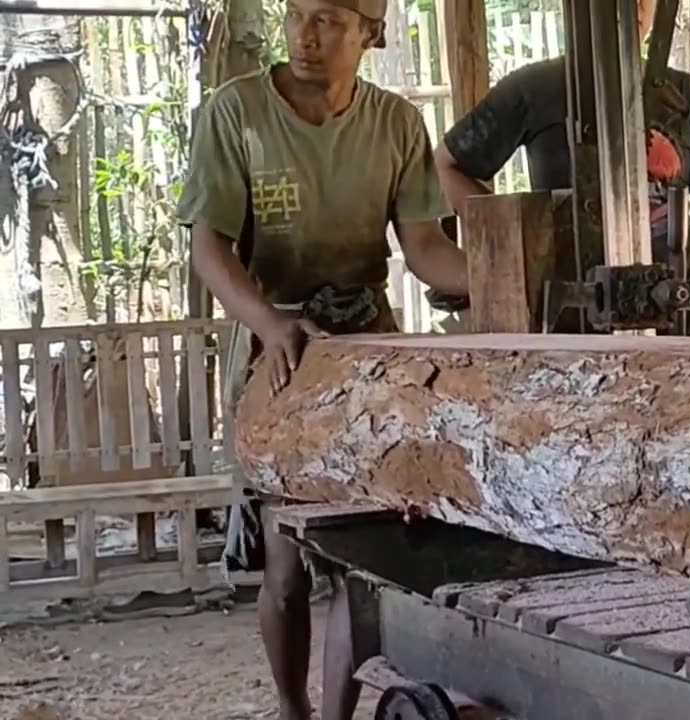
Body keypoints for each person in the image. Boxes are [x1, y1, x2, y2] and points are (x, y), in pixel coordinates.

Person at [174, 0, 468, 718]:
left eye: (329, 19)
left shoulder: (395, 122)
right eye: (296, 14)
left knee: (359, 558)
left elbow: (423, 246)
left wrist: (503, 277)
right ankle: (290, 706)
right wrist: (271, 323)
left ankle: (335, 712)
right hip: (278, 344)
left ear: (370, 32)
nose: (306, 36)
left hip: (366, 347)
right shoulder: (235, 112)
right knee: (285, 564)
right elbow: (209, 246)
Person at [433, 0, 690, 308]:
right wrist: (516, 241)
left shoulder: (689, 97)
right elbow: (443, 167)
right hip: (568, 311)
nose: (633, 6)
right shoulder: (533, 89)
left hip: (671, 306)